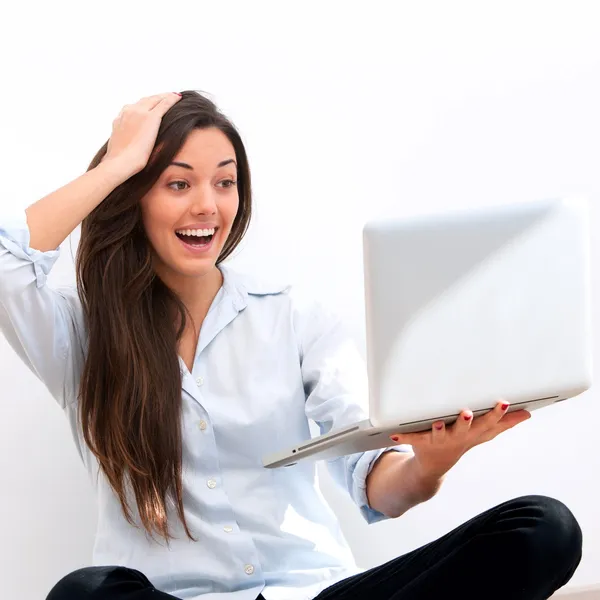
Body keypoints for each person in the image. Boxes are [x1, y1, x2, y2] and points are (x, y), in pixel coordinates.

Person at [0, 90, 581, 600]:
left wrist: (431, 463)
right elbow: (7, 260)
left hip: (313, 593)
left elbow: (376, 482)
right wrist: (119, 163)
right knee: (84, 592)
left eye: (224, 181)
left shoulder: (294, 315)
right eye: (178, 183)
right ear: (135, 197)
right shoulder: (80, 334)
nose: (208, 204)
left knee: (543, 528)